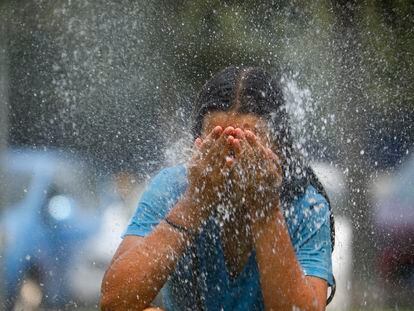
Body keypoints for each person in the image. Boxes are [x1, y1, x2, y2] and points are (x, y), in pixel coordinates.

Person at [100, 66, 334, 310]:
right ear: (197, 146)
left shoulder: (306, 207)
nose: (231, 163)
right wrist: (195, 202)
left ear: (278, 150)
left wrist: (265, 210)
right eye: (219, 144)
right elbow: (114, 302)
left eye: (248, 147)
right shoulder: (173, 188)